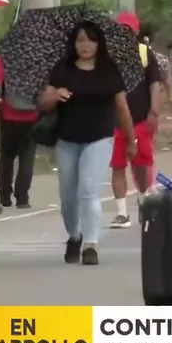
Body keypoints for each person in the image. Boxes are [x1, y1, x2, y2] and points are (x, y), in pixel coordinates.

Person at [39, 21, 137, 266]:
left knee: (89, 190)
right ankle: (74, 235)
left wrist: (131, 139)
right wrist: (54, 95)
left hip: (99, 137)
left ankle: (91, 245)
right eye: (80, 39)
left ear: (98, 43)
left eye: (90, 39)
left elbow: (122, 108)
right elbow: (44, 104)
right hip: (67, 139)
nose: (85, 45)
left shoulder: (109, 70)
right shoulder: (63, 68)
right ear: (74, 42)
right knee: (68, 195)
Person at [107, 13, 162, 229]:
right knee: (117, 166)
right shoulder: (107, 57)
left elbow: (155, 85)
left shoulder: (145, 53)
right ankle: (122, 213)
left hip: (141, 119)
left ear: (136, 32)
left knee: (141, 166)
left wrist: (154, 112)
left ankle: (144, 198)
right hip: (114, 123)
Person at [0, 55, 37, 209]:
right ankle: (22, 197)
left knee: (7, 156)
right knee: (27, 156)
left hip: (8, 113)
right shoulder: (38, 58)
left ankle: (5, 195)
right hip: (32, 114)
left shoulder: (3, 58)